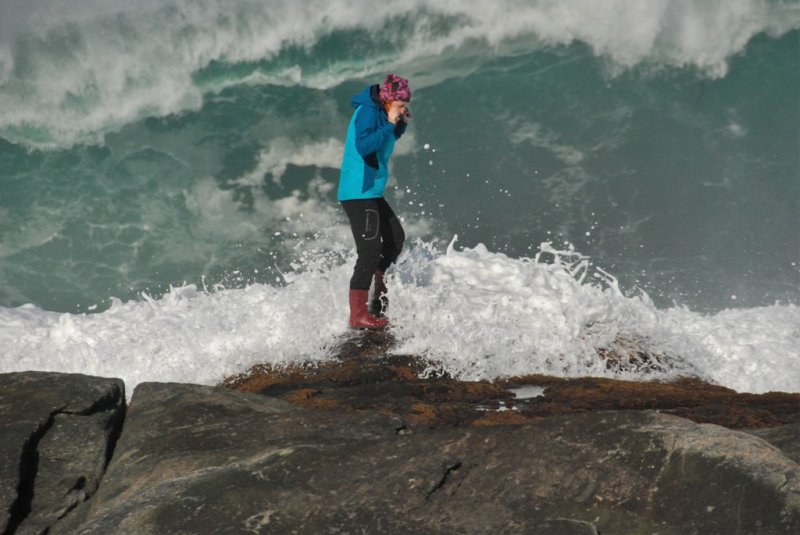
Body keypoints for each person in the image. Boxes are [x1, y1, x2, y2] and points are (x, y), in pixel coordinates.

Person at [338, 74, 412, 329]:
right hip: (358, 192)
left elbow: (386, 138)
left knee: (394, 239)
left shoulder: (381, 112)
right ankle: (357, 315)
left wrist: (398, 124)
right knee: (369, 251)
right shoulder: (368, 111)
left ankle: (377, 297)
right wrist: (391, 124)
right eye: (401, 105)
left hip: (370, 191)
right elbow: (364, 145)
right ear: (388, 100)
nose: (404, 109)